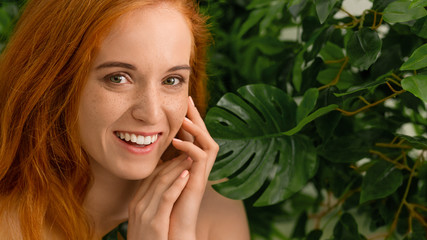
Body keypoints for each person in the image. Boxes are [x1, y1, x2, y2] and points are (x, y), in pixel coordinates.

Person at [0, 0, 250, 239]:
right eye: (118, 78)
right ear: (54, 82)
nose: (151, 113)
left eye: (171, 80)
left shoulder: (213, 203)